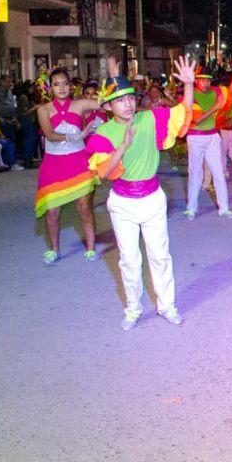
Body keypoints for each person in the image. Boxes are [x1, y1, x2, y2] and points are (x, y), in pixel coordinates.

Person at [86, 57, 196, 330]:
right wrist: (121, 147)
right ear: (109, 106)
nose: (128, 104)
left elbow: (183, 113)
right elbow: (102, 172)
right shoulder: (103, 133)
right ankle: (133, 309)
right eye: (120, 100)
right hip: (122, 202)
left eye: (131, 98)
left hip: (153, 198)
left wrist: (189, 85)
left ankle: (167, 306)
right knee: (130, 259)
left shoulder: (150, 118)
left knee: (160, 255)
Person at [35, 67, 100, 264]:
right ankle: (54, 249)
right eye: (56, 84)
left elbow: (107, 103)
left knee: (84, 207)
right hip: (53, 165)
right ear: (50, 87)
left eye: (65, 83)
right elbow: (49, 135)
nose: (61, 88)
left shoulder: (80, 104)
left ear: (71, 86)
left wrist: (114, 78)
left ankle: (90, 248)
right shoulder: (43, 109)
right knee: (52, 211)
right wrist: (76, 135)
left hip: (79, 162)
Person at [183, 59, 232, 220]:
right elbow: (196, 120)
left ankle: (224, 208)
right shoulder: (190, 95)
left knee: (219, 173)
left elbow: (229, 91)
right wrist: (215, 107)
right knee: (195, 173)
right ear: (196, 80)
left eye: (208, 80)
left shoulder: (215, 91)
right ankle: (191, 208)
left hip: (213, 137)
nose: (205, 83)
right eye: (202, 80)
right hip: (195, 137)